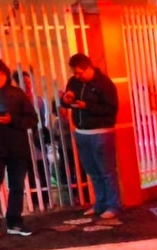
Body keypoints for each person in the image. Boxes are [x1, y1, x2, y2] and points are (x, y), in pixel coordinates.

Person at [60, 53, 121, 220]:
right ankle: (99, 203)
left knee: (106, 171)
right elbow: (65, 102)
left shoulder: (104, 84)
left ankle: (113, 205)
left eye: (80, 72)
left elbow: (111, 109)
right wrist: (67, 99)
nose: (77, 76)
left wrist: (87, 106)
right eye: (74, 73)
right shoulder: (74, 82)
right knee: (92, 171)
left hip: (101, 132)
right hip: (82, 132)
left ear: (89, 67)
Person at [0, 60, 38, 238]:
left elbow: (32, 119)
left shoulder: (17, 94)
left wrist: (12, 120)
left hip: (17, 148)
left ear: (6, 75)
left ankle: (14, 221)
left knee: (16, 186)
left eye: (0, 74)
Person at [13, 71, 51, 210]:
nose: (28, 85)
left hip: (37, 142)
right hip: (22, 143)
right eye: (25, 83)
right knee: (27, 173)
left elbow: (44, 120)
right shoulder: (14, 101)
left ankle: (46, 201)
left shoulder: (39, 100)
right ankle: (34, 201)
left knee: (42, 171)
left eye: (29, 82)